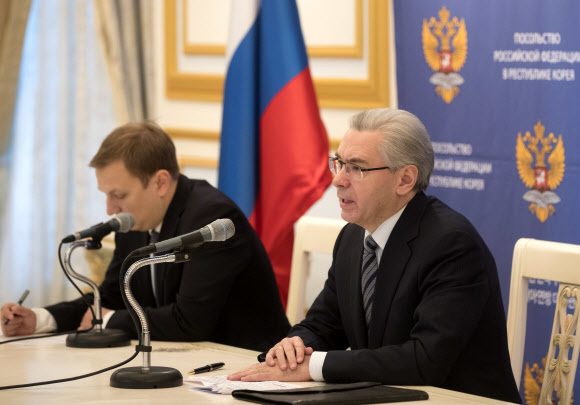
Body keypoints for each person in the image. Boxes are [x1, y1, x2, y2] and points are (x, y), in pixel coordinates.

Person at [229, 108, 522, 403]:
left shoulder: (452, 245)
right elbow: (324, 324)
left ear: (405, 179)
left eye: (357, 168)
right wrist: (295, 347)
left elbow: (424, 360)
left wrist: (314, 366)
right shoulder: (354, 236)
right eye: (339, 163)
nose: (338, 180)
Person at [0, 121, 290, 351]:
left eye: (119, 195)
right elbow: (113, 295)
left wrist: (112, 320)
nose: (111, 209)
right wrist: (41, 319)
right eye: (106, 196)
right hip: (189, 364)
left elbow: (189, 322)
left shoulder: (210, 218)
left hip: (244, 365)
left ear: (160, 182)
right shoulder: (137, 220)